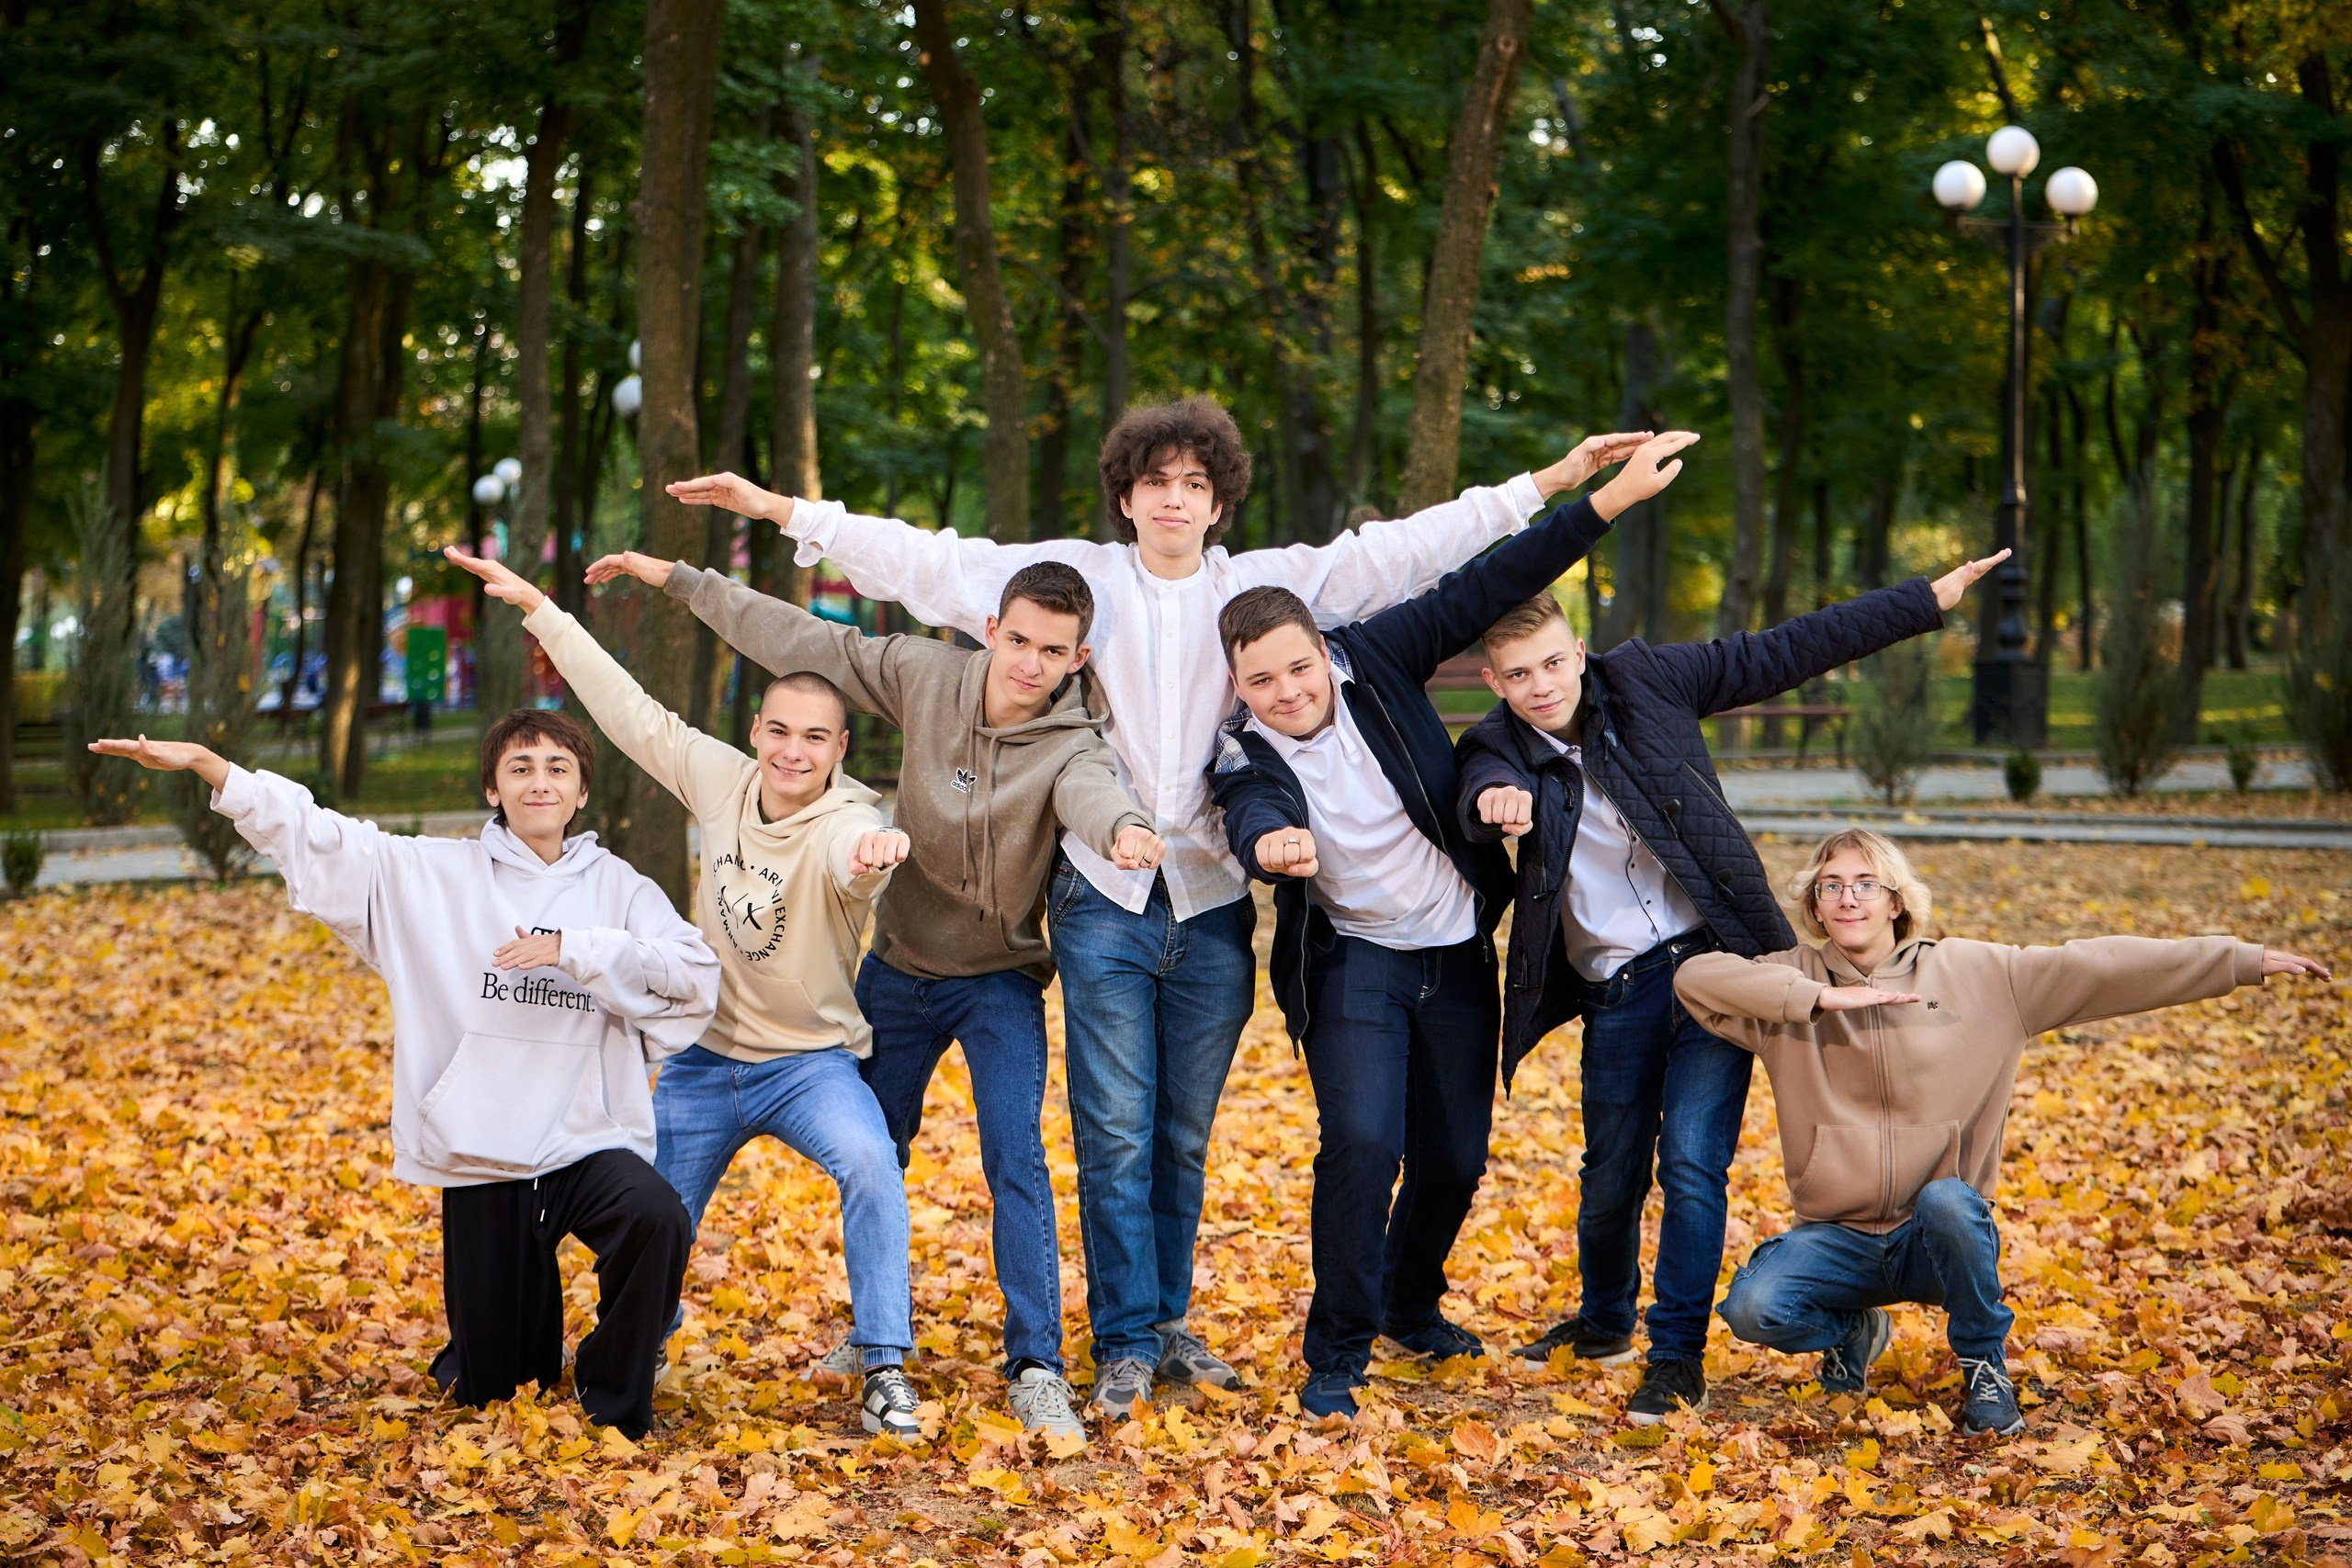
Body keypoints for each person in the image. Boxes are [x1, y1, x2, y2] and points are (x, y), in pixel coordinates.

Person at [667, 400, 1655, 1416]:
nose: (1173, 500)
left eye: (1193, 484)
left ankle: (1169, 1324)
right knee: (1115, 1136)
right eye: (1154, 483)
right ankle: (1124, 1342)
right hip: (1103, 899)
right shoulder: (1078, 582)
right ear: (1127, 497)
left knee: (1181, 1136)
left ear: (1218, 502)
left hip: (1214, 901)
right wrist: (781, 510)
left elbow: (1406, 552)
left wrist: (1548, 482)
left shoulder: (1261, 591)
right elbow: (925, 562)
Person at [579, 549, 1167, 1438]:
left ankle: (1036, 1364)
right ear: (992, 630)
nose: (1030, 662)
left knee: (1015, 1159)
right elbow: (804, 640)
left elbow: (1092, 792)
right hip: (895, 972)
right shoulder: (926, 676)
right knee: (873, 1152)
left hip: (998, 981)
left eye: (1053, 651)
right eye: (1018, 640)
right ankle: (873, 1339)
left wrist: (1122, 827)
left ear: (1078, 657)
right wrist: (687, 581)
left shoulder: (1072, 744)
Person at [1455, 544, 2008, 1423]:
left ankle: (1676, 1355)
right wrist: (1493, 800)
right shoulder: (1497, 745)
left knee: (1691, 1161)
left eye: (1554, 662)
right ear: (1494, 680)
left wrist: (1921, 600)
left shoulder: (1649, 681)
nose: (1542, 685)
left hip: (1719, 975)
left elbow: (1786, 649)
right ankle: (1604, 1321)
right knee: (1611, 1171)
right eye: (1518, 674)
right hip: (1615, 988)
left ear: (1580, 650)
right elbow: (1480, 779)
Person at [1204, 433, 1696, 1420]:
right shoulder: (1242, 751)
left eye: (1298, 668)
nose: (1288, 693)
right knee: (1360, 1144)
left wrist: (1601, 501)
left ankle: (1407, 1302)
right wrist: (1270, 846)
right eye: (1262, 682)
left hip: (1456, 952)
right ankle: (1336, 1352)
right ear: (1238, 685)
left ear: (1324, 650)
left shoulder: (1381, 658)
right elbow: (1251, 810)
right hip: (1357, 963)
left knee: (1457, 1159)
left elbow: (1491, 581)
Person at [88, 715, 720, 1440]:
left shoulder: (621, 889)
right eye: (520, 767)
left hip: (584, 1140)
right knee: (497, 1391)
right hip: (483, 1150)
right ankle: (502, 1347)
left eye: (557, 768)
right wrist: (212, 767)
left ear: (581, 792)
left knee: (658, 1215)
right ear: (493, 789)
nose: (539, 781)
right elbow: (321, 836)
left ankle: (613, 1389)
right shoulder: (434, 874)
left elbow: (693, 972)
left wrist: (574, 947)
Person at [446, 547, 923, 1439]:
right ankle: (630, 1344)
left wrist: (872, 859)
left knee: (872, 1164)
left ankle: (885, 1363)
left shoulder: (851, 821)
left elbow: (849, 862)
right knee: (648, 1211)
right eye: (779, 731)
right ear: (757, 730)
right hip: (702, 1062)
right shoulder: (722, 780)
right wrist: (542, 611)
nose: (792, 751)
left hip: (809, 1064)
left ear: (839, 750)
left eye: (814, 739)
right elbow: (629, 711)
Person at [1674, 827, 2331, 1436]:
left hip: (1937, 1236)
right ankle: (1852, 1330)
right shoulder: (1787, 983)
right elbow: (1694, 978)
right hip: (1837, 1238)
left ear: (1897, 901)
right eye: (1832, 885)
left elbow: (2105, 965)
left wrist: (2238, 959)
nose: (1848, 898)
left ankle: (1984, 1366)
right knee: (1753, 1308)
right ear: (1816, 905)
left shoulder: (1980, 974)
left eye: (1866, 884)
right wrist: (1816, 998)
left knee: (1947, 1202)